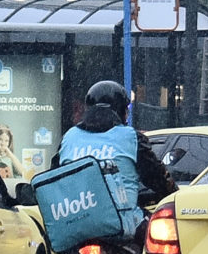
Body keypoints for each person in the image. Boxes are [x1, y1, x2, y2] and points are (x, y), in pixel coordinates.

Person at [55, 80, 174, 212]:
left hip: (74, 218)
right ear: (121, 111)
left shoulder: (69, 137)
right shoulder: (131, 137)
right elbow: (158, 179)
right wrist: (174, 194)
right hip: (122, 220)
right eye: (127, 110)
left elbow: (54, 180)